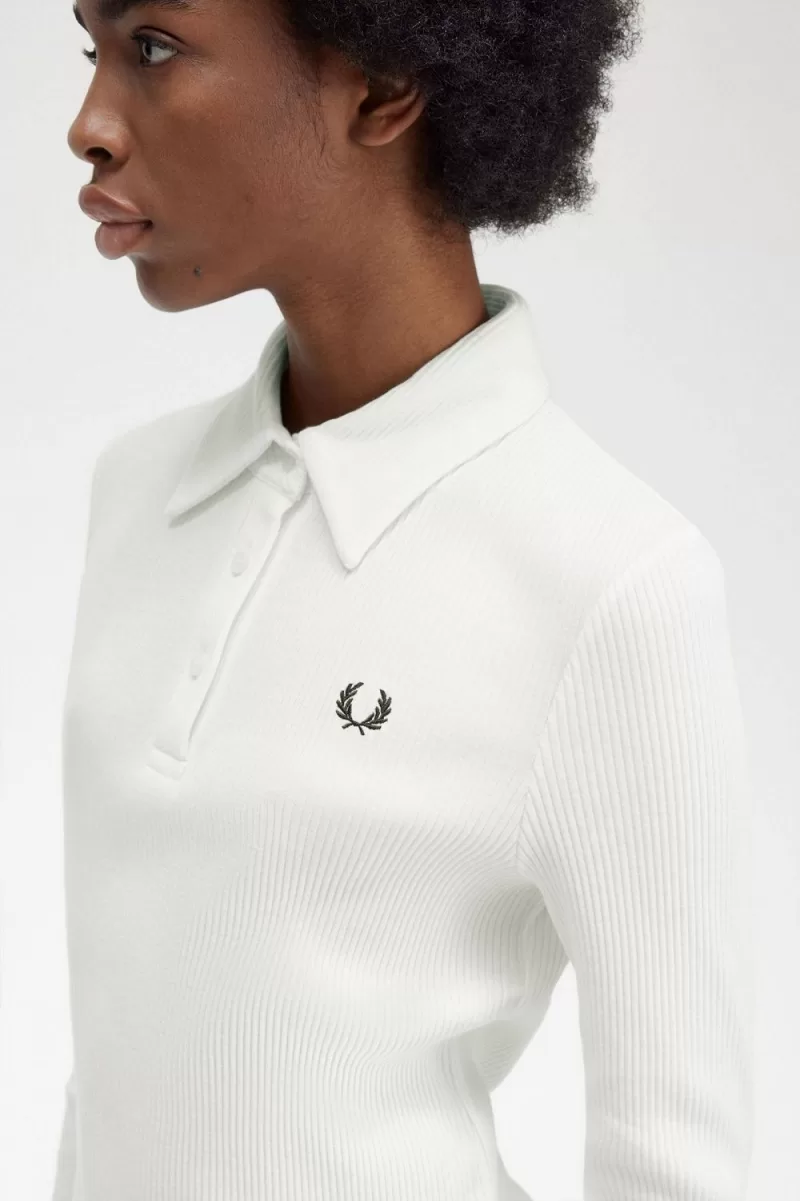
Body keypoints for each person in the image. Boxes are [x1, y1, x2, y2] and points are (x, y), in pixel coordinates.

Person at [53, 1, 754, 1199]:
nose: (87, 125)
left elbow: (672, 1163)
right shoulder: (138, 494)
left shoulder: (610, 581)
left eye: (154, 46)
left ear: (379, 89)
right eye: (93, 48)